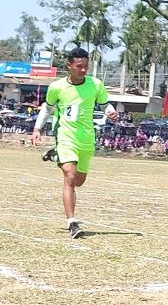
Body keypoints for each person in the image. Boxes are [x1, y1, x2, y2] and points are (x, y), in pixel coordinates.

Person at [31, 48, 119, 239]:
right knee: (69, 177)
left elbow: (105, 104)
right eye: (79, 66)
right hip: (65, 135)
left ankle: (56, 154)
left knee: (79, 181)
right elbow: (48, 108)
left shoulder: (95, 85)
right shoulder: (57, 87)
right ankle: (72, 222)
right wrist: (37, 128)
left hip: (86, 138)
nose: (83, 70)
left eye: (86, 66)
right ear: (69, 66)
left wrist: (110, 112)